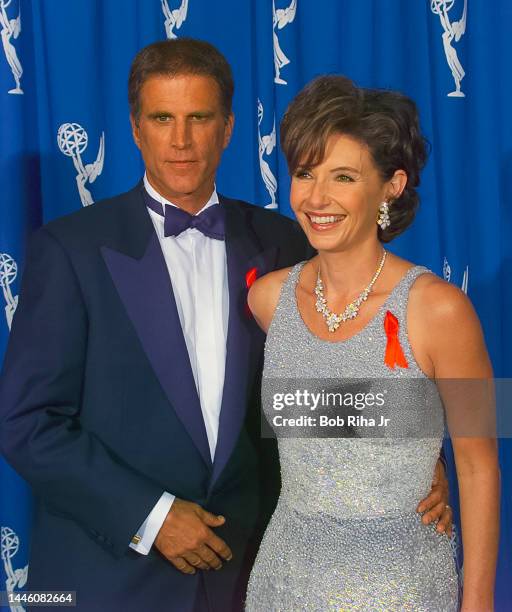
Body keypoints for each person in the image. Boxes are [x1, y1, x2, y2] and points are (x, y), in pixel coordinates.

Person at [0, 40, 451, 612]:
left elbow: (314, 395)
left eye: (199, 118)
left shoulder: (287, 243)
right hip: (110, 576)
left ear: (229, 127)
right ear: (137, 129)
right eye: (162, 118)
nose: (181, 140)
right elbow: (26, 421)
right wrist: (153, 517)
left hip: (253, 572)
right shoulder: (70, 250)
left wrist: (418, 456)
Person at [246, 76, 499, 611]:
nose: (317, 198)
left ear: (392, 185)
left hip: (401, 588)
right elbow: (339, 418)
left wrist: (478, 604)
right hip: (284, 583)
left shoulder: (439, 311)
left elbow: (478, 466)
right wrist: (417, 444)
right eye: (304, 174)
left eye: (343, 177)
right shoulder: (268, 301)